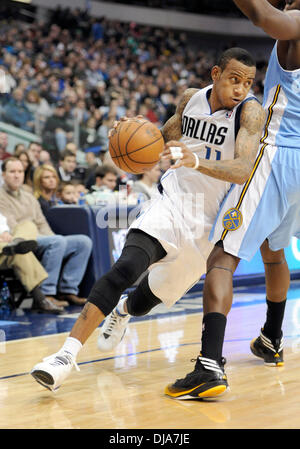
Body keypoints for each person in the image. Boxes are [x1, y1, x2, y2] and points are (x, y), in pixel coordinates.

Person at [30, 47, 266, 392]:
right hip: (172, 200)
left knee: (142, 302)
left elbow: (244, 170)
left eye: (247, 82)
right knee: (126, 267)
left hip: (208, 227)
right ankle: (65, 356)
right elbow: (164, 139)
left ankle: (122, 312)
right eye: (234, 79)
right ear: (215, 74)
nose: (240, 89)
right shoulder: (190, 99)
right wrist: (130, 134)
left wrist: (196, 161)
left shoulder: (250, 112)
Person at [163, 0, 300, 400]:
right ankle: (272, 338)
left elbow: (262, 16)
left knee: (221, 256)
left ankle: (209, 365)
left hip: (277, 154)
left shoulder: (296, 20)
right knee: (273, 251)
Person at [0, 157, 93, 308]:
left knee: (83, 242)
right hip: (19, 240)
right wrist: (55, 241)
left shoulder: (29, 197)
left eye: (20, 171)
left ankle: (68, 290)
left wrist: (53, 238)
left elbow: (42, 223)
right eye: (12, 172)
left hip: (41, 238)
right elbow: (11, 226)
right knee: (53, 239)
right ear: (3, 174)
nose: (17, 175)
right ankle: (47, 294)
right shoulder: (1, 196)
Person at [0, 212, 63, 314]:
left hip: (5, 247)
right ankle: (40, 299)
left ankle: (16, 242)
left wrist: (4, 232)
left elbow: (2, 221)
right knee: (19, 253)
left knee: (27, 225)